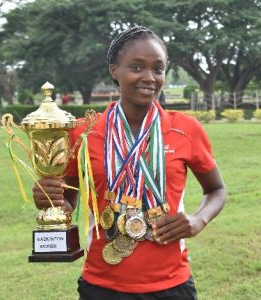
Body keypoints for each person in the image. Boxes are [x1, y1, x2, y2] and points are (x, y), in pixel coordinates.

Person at [33, 26, 227, 300]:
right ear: (114, 70)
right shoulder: (83, 132)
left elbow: (217, 190)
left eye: (158, 69)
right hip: (102, 286)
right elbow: (66, 203)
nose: (149, 78)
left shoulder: (185, 129)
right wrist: (49, 199)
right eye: (137, 67)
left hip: (172, 286)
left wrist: (198, 219)